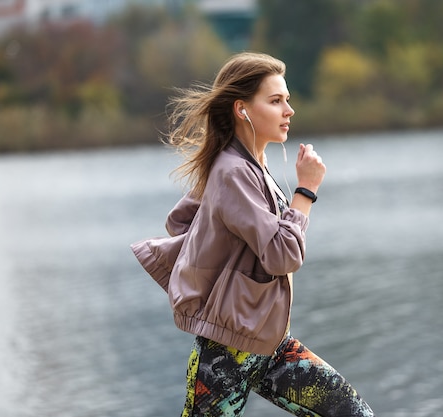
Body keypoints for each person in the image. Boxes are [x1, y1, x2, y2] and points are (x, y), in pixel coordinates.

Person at [131, 52, 374, 417]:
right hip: (227, 354)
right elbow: (282, 254)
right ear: (242, 109)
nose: (289, 110)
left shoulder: (246, 165)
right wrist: (305, 192)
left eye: (287, 100)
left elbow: (183, 222)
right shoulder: (233, 171)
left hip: (269, 343)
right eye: (276, 101)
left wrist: (222, 253)